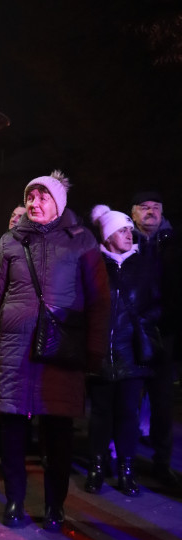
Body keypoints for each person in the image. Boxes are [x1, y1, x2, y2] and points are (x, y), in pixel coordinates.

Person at [0, 171, 109, 531]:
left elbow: (99, 301)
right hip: (15, 350)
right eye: (30, 198)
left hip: (61, 352)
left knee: (59, 433)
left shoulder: (82, 242)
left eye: (42, 198)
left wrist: (96, 349)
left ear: (58, 203)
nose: (34, 204)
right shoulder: (10, 242)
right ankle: (15, 501)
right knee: (13, 431)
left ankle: (54, 505)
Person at [86, 205, 162, 496]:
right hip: (102, 353)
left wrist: (143, 322)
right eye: (121, 230)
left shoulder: (143, 265)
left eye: (130, 229)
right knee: (101, 414)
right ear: (107, 236)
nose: (129, 234)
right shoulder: (94, 266)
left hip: (133, 352)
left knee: (128, 413)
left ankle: (126, 470)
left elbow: (156, 303)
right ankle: (95, 466)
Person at [131, 190, 181, 487]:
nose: (151, 212)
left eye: (156, 207)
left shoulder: (174, 244)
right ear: (133, 212)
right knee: (127, 399)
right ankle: (122, 457)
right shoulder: (123, 238)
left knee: (162, 402)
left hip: (165, 331)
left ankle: (161, 462)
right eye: (144, 207)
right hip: (131, 330)